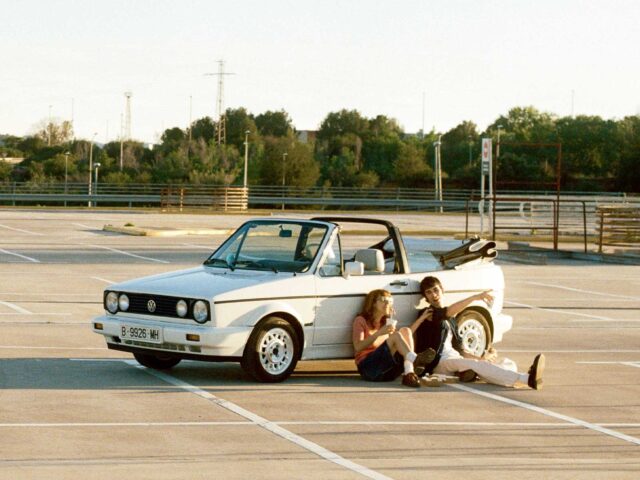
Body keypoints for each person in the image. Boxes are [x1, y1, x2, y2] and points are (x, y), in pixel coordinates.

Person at [411, 276, 545, 390]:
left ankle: (472, 373)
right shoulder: (427, 313)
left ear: (442, 290)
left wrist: (481, 359)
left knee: (501, 363)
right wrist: (475, 297)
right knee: (476, 365)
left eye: (436, 290)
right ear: (426, 298)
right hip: (439, 363)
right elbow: (448, 311)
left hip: (455, 358)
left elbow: (460, 350)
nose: (433, 295)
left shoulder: (451, 320)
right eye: (429, 292)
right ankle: (527, 379)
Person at [353, 289, 435, 388]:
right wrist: (379, 333)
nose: (388, 303)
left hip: (386, 371)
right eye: (383, 300)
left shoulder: (385, 322)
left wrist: (421, 319)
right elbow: (358, 347)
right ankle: (414, 360)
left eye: (390, 301)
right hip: (369, 370)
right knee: (395, 336)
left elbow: (405, 337)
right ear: (373, 303)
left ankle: (409, 373)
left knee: (405, 330)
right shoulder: (361, 320)